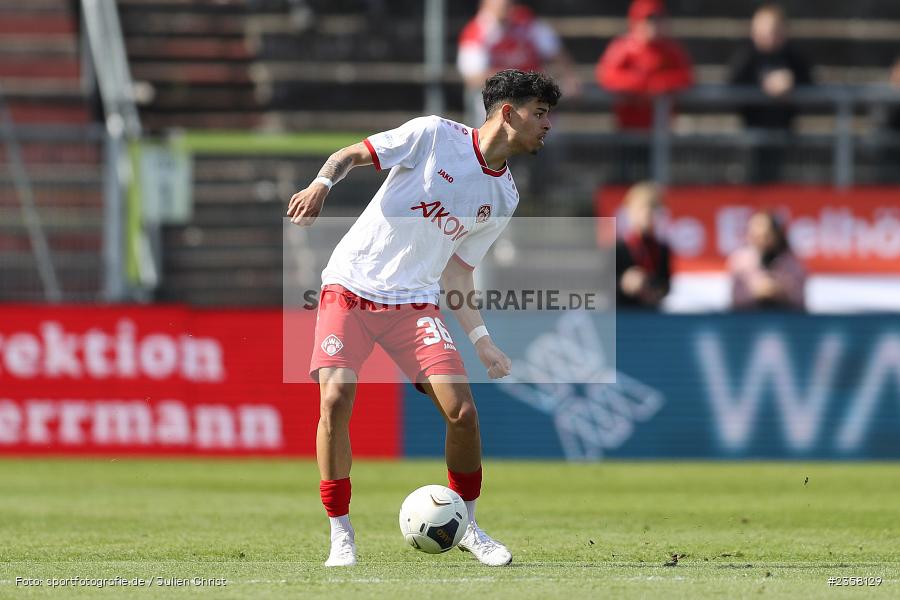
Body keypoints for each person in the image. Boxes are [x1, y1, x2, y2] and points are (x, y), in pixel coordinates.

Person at [286, 70, 560, 567]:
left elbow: (457, 275)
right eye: (540, 113)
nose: (547, 125)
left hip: (414, 305)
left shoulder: (505, 197)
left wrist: (481, 340)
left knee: (464, 413)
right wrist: (321, 185)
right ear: (507, 112)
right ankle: (340, 533)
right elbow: (348, 154)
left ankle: (470, 526)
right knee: (335, 396)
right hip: (349, 287)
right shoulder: (433, 135)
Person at [457, 0, 578, 125]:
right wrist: (516, 83)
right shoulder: (475, 32)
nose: (504, 5)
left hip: (533, 97)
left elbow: (554, 51)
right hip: (498, 101)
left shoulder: (525, 20)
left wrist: (569, 78)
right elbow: (473, 76)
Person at [596, 0, 694, 130]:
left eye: (657, 19)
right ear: (636, 21)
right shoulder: (624, 47)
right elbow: (606, 75)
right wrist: (640, 84)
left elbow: (687, 76)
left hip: (660, 129)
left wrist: (659, 83)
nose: (653, 25)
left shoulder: (670, 49)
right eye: (649, 20)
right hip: (629, 127)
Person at [728, 4, 813, 131]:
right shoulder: (745, 56)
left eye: (774, 31)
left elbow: (810, 85)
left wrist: (792, 82)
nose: (769, 37)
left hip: (786, 133)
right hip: (751, 134)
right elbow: (731, 88)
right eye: (764, 31)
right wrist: (762, 83)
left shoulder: (793, 56)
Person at [728, 211, 806, 311]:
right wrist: (756, 293)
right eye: (756, 236)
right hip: (748, 321)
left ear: (776, 235)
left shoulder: (793, 263)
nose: (761, 241)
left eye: (766, 236)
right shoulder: (740, 261)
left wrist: (780, 292)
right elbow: (736, 301)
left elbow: (799, 302)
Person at [615, 182, 672, 309]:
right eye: (642, 208)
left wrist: (653, 290)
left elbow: (666, 284)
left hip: (651, 316)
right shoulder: (618, 249)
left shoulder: (662, 249)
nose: (647, 214)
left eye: (653, 208)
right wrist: (624, 283)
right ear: (630, 211)